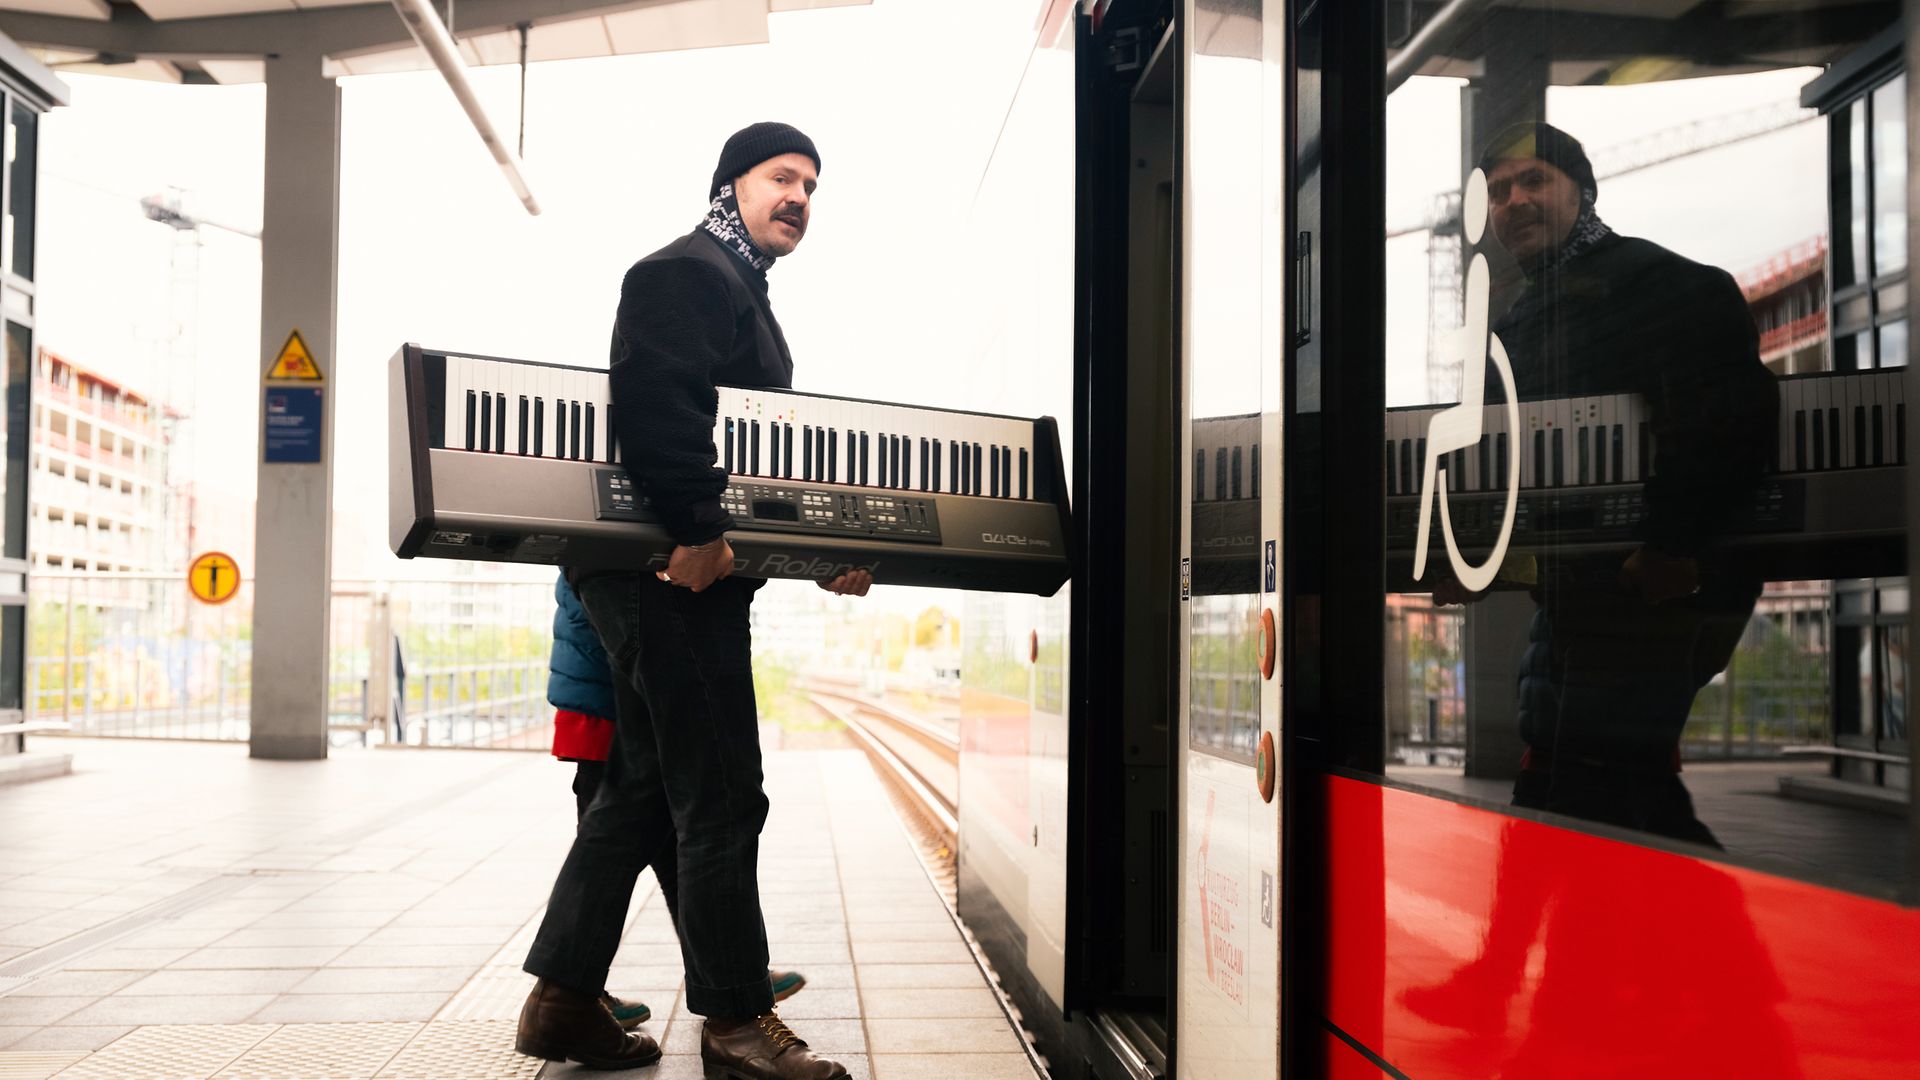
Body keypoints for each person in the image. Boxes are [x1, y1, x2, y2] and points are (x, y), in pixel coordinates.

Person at [517, 123, 869, 1078]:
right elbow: (659, 408)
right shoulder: (685, 273)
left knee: (637, 791)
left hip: (669, 564)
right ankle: (735, 1026)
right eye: (780, 177)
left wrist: (813, 555)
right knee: (719, 792)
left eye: (810, 184)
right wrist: (704, 536)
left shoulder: (736, 287)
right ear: (732, 185)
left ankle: (560, 1006)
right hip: (664, 569)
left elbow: (754, 458)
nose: (798, 195)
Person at [1437, 122, 1777, 846]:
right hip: (1581, 591)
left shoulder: (1664, 285)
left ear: (1583, 193)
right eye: (1499, 192)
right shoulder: (1522, 320)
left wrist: (1671, 545)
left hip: (1651, 587)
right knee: (1581, 782)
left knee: (1591, 798)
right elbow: (1516, 465)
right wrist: (1477, 558)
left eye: (1535, 181)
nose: (1515, 202)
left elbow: (1728, 422)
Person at [543, 570, 808, 1034]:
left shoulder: (603, 551)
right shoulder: (628, 552)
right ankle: (576, 994)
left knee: (659, 828)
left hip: (615, 681)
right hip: (612, 693)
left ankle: (719, 973)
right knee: (657, 819)